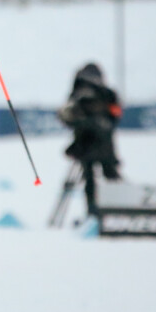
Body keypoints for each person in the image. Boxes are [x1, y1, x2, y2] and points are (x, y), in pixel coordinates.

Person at [57, 62, 122, 218]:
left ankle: (100, 212)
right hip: (95, 145)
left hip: (89, 145)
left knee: (96, 179)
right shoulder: (96, 94)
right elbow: (115, 117)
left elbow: (114, 116)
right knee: (104, 177)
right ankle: (111, 211)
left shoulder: (82, 95)